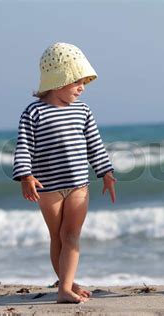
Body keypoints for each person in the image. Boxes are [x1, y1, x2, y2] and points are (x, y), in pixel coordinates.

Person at [13, 42, 116, 303]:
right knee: (57, 236)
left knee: (71, 235)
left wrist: (105, 172)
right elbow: (24, 146)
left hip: (79, 185)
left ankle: (65, 287)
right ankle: (66, 285)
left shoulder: (83, 111)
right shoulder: (34, 112)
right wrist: (26, 176)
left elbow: (94, 143)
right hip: (49, 188)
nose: (82, 88)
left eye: (84, 82)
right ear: (59, 80)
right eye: (76, 82)